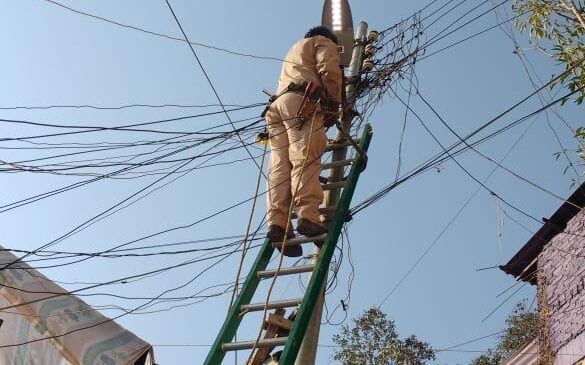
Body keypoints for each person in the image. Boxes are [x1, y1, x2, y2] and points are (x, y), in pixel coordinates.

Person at [264, 26, 342, 257]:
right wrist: (333, 103)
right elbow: (329, 69)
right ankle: (308, 215)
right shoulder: (322, 42)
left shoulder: (294, 50)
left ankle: (278, 223)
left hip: (276, 108)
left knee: (280, 166)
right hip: (302, 102)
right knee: (306, 156)